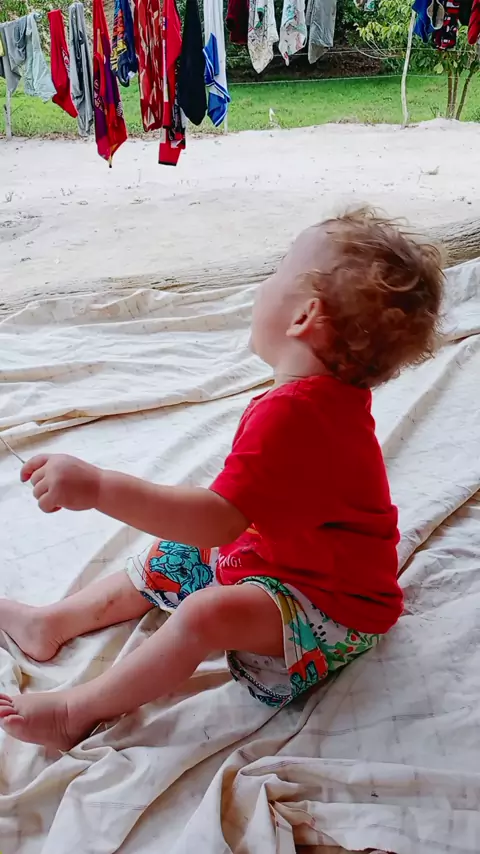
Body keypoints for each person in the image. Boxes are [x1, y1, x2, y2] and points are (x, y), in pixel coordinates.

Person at [0, 209, 444, 750]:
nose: (263, 283)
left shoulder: (296, 414)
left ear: (304, 316)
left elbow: (214, 520)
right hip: (284, 560)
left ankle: (76, 710)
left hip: (335, 612)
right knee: (174, 555)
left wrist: (98, 488)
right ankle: (51, 625)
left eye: (278, 270)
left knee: (206, 612)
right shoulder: (317, 401)